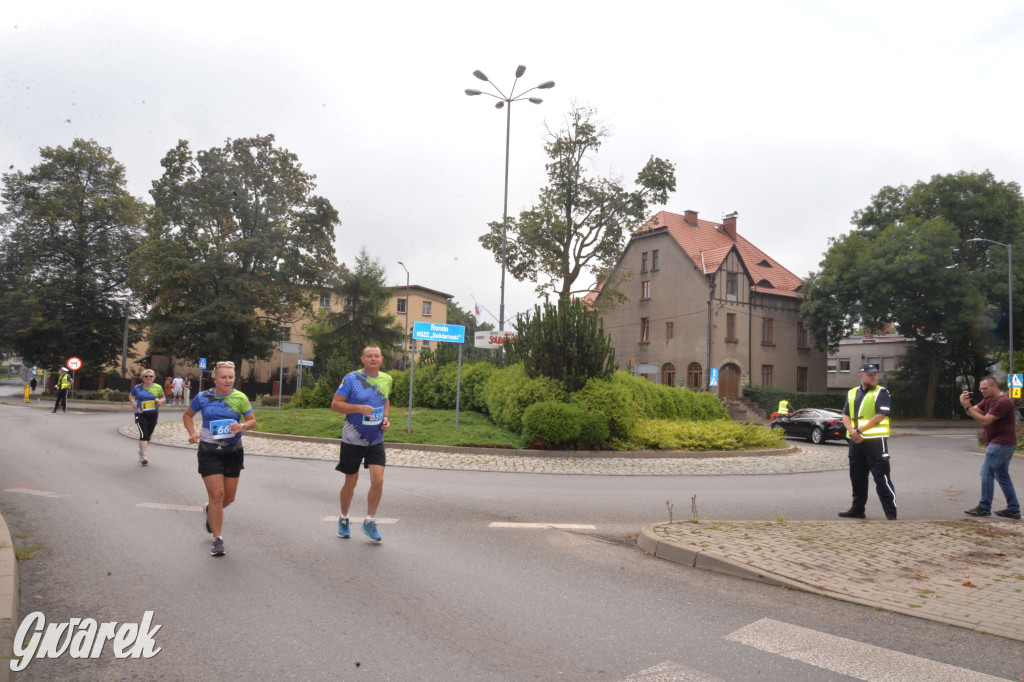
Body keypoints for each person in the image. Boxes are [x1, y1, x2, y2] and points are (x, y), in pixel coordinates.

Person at [183, 361, 256, 557]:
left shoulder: (240, 397)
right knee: (217, 495)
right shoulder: (203, 397)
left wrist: (242, 426)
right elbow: (188, 415)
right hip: (209, 450)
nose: (227, 380)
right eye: (223, 377)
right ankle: (217, 539)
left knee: (229, 498)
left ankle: (210, 511)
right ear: (214, 378)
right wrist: (192, 433)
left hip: (233, 451)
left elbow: (252, 421)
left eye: (231, 377)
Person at [331, 346, 392, 542]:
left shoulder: (387, 379)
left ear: (381, 359)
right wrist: (358, 408)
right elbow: (335, 404)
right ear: (362, 359)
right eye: (369, 356)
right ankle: (344, 518)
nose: (373, 359)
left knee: (378, 481)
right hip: (352, 438)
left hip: (376, 439)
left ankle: (369, 521)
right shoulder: (351, 379)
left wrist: (385, 418)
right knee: (351, 481)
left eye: (376, 356)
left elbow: (385, 400)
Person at [839, 363, 897, 520]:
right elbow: (845, 415)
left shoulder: (882, 392)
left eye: (875, 374)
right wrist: (852, 431)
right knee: (857, 477)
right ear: (861, 375)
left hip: (876, 442)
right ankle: (857, 509)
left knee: (881, 477)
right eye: (870, 374)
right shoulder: (852, 393)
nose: (874, 376)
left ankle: (891, 513)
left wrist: (858, 431)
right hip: (856, 443)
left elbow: (880, 416)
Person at [960, 376, 1020, 519]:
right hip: (1002, 443)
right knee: (1002, 476)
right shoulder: (988, 400)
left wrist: (967, 407)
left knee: (986, 473)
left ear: (995, 387)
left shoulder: (1003, 402)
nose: (982, 391)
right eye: (981, 388)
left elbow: (986, 420)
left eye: (985, 388)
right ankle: (1013, 508)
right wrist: (966, 404)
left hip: (1001, 443)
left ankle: (984, 507)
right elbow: (973, 412)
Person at [129, 370, 166, 465]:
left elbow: (163, 397)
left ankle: (141, 451)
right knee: (143, 434)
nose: (148, 378)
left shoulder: (158, 387)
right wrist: (133, 402)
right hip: (140, 413)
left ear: (153, 378)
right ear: (142, 378)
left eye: (150, 376)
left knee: (148, 435)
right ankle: (144, 456)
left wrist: (160, 401)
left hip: (153, 413)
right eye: (146, 376)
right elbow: (131, 395)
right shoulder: (138, 387)